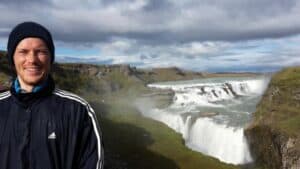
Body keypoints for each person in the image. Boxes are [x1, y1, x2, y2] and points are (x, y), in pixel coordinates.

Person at [0, 22, 104, 169]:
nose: (32, 60)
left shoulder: (78, 110)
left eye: (40, 51)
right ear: (12, 58)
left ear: (50, 58)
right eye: (23, 52)